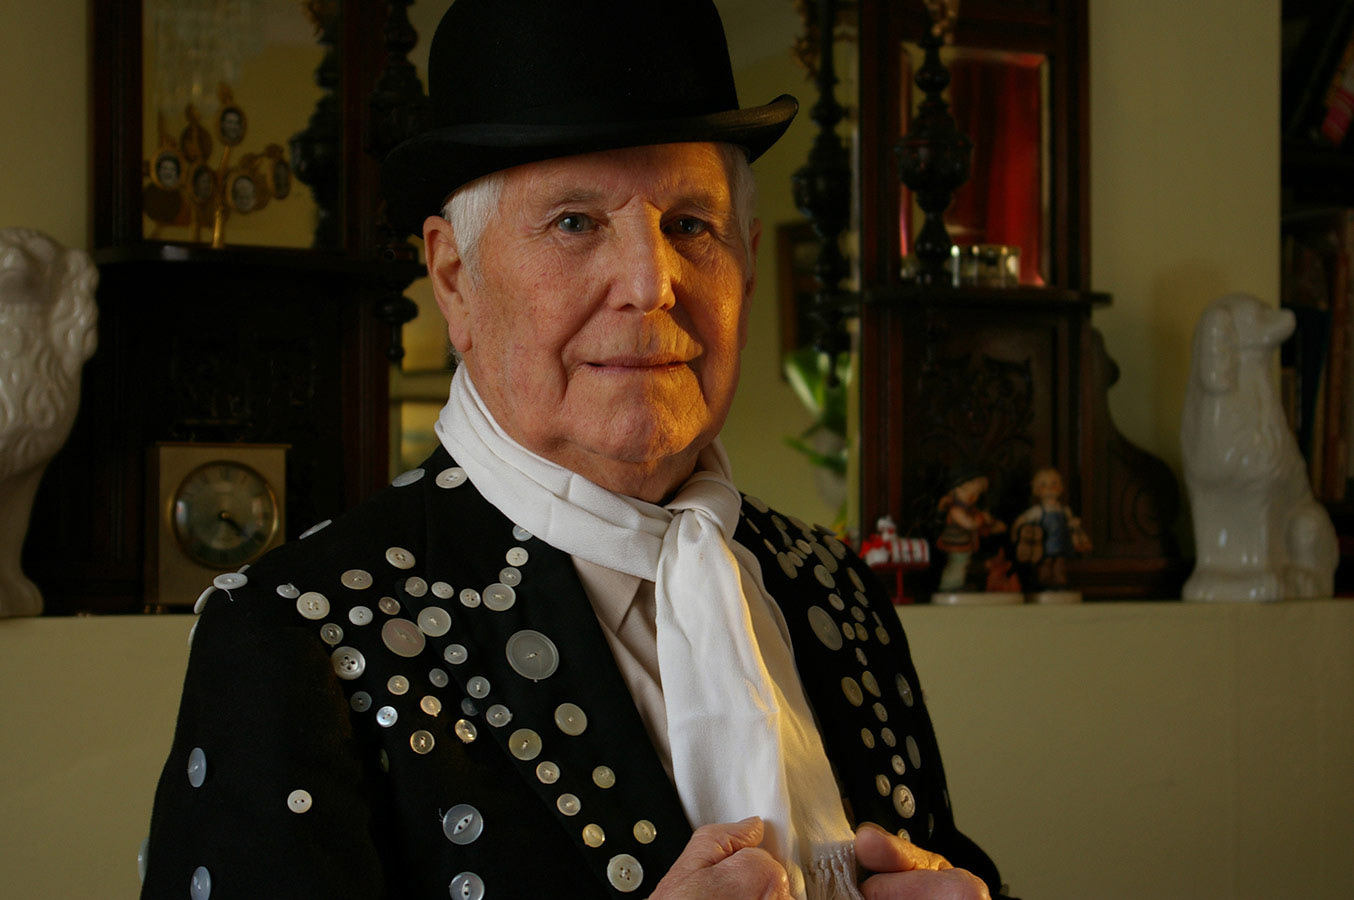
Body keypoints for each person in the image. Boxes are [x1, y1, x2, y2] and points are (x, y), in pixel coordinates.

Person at [138, 3, 1011, 899]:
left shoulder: (833, 590)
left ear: (746, 265)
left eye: (690, 225)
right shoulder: (292, 637)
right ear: (454, 279)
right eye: (574, 222)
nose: (650, 282)